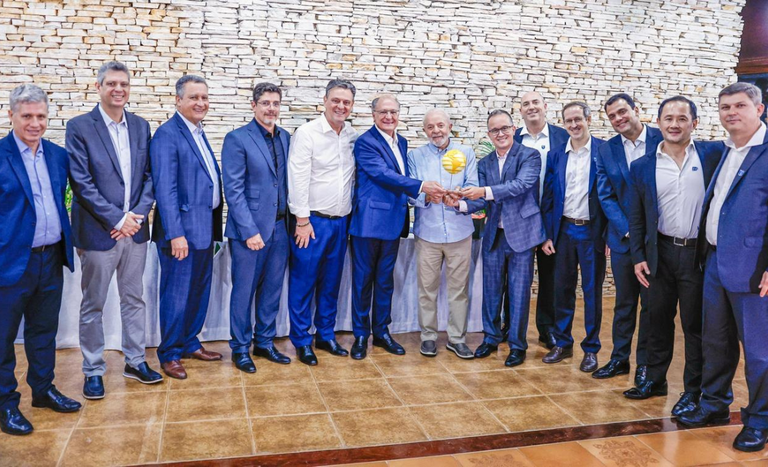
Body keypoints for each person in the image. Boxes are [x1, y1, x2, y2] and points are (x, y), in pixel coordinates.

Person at [678, 82, 768, 453]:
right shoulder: (726, 150)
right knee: (715, 341)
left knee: (760, 352)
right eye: (724, 107)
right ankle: (714, 405)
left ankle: (760, 420)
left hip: (754, 270)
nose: (731, 112)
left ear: (759, 109)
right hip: (714, 262)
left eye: (739, 105)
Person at [66, 61, 162, 400]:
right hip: (98, 233)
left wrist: (136, 216)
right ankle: (93, 369)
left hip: (135, 231)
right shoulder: (79, 126)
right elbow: (81, 182)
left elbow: (150, 176)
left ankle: (135, 361)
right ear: (98, 87)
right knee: (94, 303)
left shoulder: (140, 125)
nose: (118, 89)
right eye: (111, 84)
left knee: (134, 299)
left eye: (123, 84)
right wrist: (117, 220)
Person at [623, 96, 723, 417]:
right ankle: (654, 380)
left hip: (696, 255)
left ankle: (693, 391)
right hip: (659, 254)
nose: (674, 124)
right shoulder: (642, 166)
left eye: (682, 118)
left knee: (694, 326)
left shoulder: (713, 155)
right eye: (668, 118)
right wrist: (638, 256)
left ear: (695, 123)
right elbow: (636, 216)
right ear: (658, 122)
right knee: (656, 320)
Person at [0, 84, 80, 435]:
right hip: (10, 263)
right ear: (11, 116)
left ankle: (43, 390)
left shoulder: (57, 155)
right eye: (27, 116)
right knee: (2, 338)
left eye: (41, 116)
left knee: (44, 331)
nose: (35, 123)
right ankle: (5, 403)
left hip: (51, 258)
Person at [349, 93, 445, 360]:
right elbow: (383, 174)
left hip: (393, 223)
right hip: (368, 223)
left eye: (393, 112)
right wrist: (422, 186)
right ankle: (360, 335)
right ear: (373, 115)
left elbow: (399, 177)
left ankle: (381, 332)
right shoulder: (365, 142)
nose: (389, 116)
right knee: (362, 282)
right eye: (383, 112)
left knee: (384, 282)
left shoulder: (401, 141)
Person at [150, 75, 224, 379]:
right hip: (180, 234)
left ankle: (190, 342)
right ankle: (169, 353)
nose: (201, 103)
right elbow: (165, 189)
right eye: (194, 97)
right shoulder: (167, 134)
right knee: (176, 295)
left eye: (204, 97)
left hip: (204, 230)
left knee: (198, 291)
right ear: (178, 100)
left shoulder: (198, 132)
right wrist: (175, 234)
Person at [460, 109, 546, 367]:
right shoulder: (484, 163)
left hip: (521, 235)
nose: (500, 134)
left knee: (519, 293)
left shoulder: (529, 155)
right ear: (489, 134)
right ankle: (490, 337)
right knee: (491, 291)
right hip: (494, 235)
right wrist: (459, 204)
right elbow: (480, 202)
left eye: (504, 128)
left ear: (513, 129)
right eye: (494, 130)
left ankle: (517, 345)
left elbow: (520, 185)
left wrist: (482, 191)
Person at [592, 93, 662, 385]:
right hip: (623, 239)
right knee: (624, 303)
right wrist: (630, 230)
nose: (618, 119)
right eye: (612, 116)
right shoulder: (606, 150)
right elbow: (606, 195)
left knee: (651, 306)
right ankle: (619, 359)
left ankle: (645, 364)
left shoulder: (662, 139)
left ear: (636, 109)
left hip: (657, 241)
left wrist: (647, 232)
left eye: (622, 112)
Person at [287, 79, 358, 366]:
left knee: (331, 283)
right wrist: (302, 220)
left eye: (346, 102)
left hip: (341, 222)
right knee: (303, 283)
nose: (341, 106)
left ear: (352, 106)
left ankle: (325, 335)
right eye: (336, 100)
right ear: (325, 101)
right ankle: (301, 340)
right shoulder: (307, 133)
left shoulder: (352, 135)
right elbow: (297, 177)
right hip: (312, 223)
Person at [222, 82, 291, 373]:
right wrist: (250, 231)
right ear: (253, 105)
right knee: (244, 291)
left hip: (281, 227)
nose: (271, 109)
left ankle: (264, 342)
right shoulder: (237, 138)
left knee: (272, 290)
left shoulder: (286, 137)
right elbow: (234, 190)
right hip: (249, 231)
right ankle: (240, 348)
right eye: (265, 103)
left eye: (275, 103)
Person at [541, 102, 607, 373]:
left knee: (592, 292)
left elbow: (614, 193)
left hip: (593, 232)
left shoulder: (604, 151)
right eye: (568, 121)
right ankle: (563, 343)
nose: (574, 125)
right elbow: (548, 197)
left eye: (578, 119)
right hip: (564, 231)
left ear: (588, 119)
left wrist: (610, 234)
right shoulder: (557, 154)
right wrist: (547, 235)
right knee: (562, 290)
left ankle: (591, 349)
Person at [407, 109, 478, 359]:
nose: (436, 131)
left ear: (449, 126)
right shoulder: (415, 156)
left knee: (459, 290)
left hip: (460, 232)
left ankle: (457, 339)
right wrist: (427, 197)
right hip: (428, 233)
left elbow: (474, 186)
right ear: (424, 131)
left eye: (440, 125)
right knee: (427, 289)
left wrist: (459, 199)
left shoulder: (466, 153)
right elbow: (410, 192)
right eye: (430, 127)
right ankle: (428, 336)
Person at [513, 91, 569, 349]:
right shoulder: (513, 138)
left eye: (536, 102)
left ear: (545, 106)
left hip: (552, 219)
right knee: (515, 278)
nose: (531, 107)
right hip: (518, 219)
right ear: (520, 111)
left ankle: (548, 330)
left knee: (551, 277)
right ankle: (510, 327)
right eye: (526, 104)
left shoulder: (563, 137)